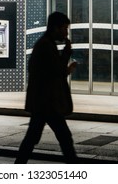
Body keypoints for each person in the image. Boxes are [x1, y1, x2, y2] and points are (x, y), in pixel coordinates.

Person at [14, 12, 77, 164]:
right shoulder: (45, 46)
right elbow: (57, 72)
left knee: (33, 138)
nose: (66, 32)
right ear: (56, 28)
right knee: (64, 138)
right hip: (47, 103)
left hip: (43, 103)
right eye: (64, 28)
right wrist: (67, 55)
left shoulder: (45, 44)